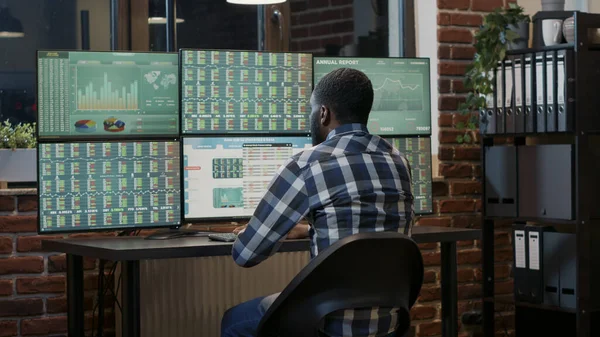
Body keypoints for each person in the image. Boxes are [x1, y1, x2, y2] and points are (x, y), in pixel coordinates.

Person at [221, 68, 414, 337]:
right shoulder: (399, 161)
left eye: (312, 111)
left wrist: (252, 235)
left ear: (323, 113)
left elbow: (246, 254)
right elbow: (368, 234)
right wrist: (312, 230)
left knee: (233, 321)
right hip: (390, 323)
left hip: (328, 325)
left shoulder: (307, 163)